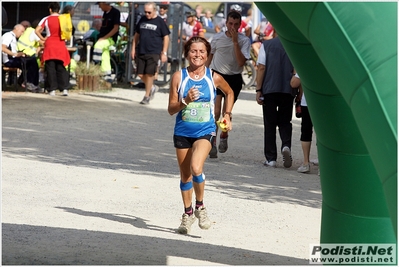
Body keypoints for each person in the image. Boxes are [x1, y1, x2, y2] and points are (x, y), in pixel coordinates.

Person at [167, 36, 234, 234]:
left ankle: (200, 207)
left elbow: (229, 93)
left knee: (196, 167)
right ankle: (187, 214)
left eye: (202, 51)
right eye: (194, 51)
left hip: (205, 131)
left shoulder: (213, 77)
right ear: (187, 54)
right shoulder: (179, 77)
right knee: (185, 175)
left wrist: (227, 115)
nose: (198, 55)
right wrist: (185, 100)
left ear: (208, 54)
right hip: (182, 132)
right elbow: (171, 109)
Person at [206, 10, 250, 158]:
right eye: (230, 23)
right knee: (216, 111)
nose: (232, 27)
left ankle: (224, 135)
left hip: (234, 78)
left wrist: (235, 42)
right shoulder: (217, 38)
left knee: (227, 111)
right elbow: (210, 57)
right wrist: (203, 74)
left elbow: (241, 62)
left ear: (240, 25)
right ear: (226, 23)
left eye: (236, 24)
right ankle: (212, 142)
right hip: (217, 75)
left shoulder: (244, 40)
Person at [255, 32, 296, 168]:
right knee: (285, 121)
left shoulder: (266, 45)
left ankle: (271, 158)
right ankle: (285, 144)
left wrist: (258, 89)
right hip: (287, 88)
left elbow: (261, 67)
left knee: (270, 123)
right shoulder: (292, 46)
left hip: (269, 89)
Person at [131, 2, 170, 105]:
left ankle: (146, 96)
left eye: (149, 12)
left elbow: (166, 37)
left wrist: (164, 52)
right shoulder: (143, 19)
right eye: (145, 12)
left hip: (154, 51)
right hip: (141, 50)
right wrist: (133, 48)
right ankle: (152, 87)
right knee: (139, 73)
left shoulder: (160, 21)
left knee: (149, 74)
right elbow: (136, 35)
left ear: (154, 11)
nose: (147, 14)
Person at [35, 2, 71, 96]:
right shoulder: (63, 18)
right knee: (61, 67)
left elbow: (37, 30)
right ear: (59, 10)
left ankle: (52, 89)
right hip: (61, 44)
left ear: (50, 9)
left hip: (50, 44)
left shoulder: (46, 19)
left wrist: (43, 38)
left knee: (50, 67)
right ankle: (65, 89)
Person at [2, 24, 40, 92]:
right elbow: (2, 47)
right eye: (22, 31)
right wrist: (15, 54)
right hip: (8, 60)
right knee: (32, 62)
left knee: (32, 61)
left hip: (14, 58)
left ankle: (26, 81)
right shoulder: (8, 35)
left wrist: (21, 54)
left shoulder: (14, 37)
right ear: (16, 29)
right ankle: (28, 83)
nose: (22, 34)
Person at [291, 71, 315, 173]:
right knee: (323, 134)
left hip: (308, 101)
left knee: (306, 131)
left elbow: (294, 83)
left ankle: (306, 163)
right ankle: (323, 166)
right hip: (325, 102)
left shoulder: (306, 64)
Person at [92, 2, 120, 88]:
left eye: (100, 5)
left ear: (105, 3)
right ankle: (108, 78)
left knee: (98, 45)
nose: (99, 7)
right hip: (103, 37)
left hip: (110, 38)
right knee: (105, 56)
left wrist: (105, 38)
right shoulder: (105, 13)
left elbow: (116, 28)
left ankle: (95, 67)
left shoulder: (115, 12)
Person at [17, 19, 44, 91]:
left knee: (34, 64)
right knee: (33, 64)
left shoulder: (29, 31)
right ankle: (29, 83)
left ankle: (33, 84)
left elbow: (37, 46)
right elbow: (43, 43)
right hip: (24, 54)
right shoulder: (34, 32)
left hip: (23, 54)